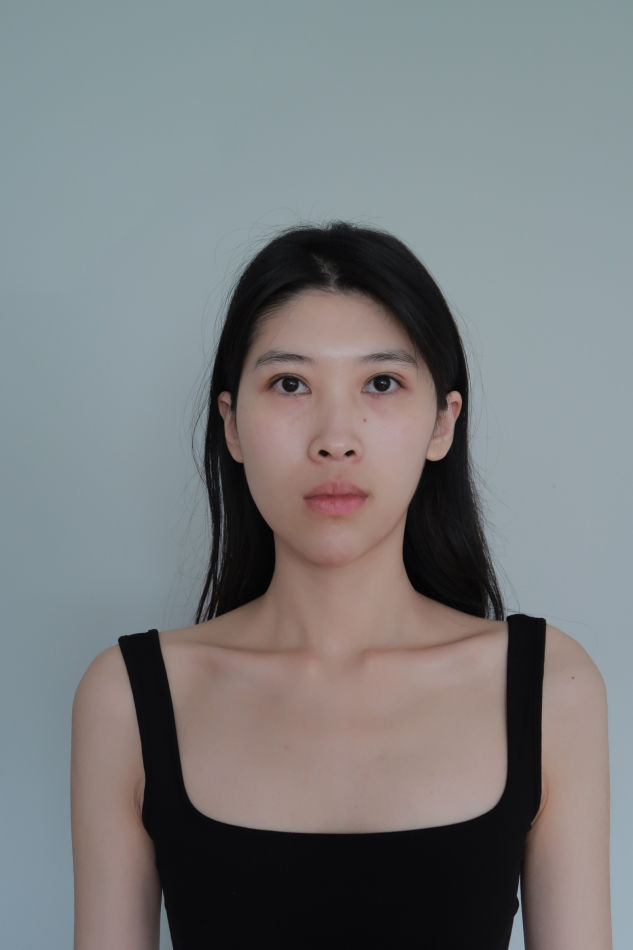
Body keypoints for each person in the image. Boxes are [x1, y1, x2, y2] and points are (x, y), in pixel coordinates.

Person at [70, 221, 612, 949]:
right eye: (290, 383)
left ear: (442, 424)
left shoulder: (551, 688)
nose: (334, 438)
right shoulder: (126, 699)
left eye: (381, 383)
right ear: (232, 425)